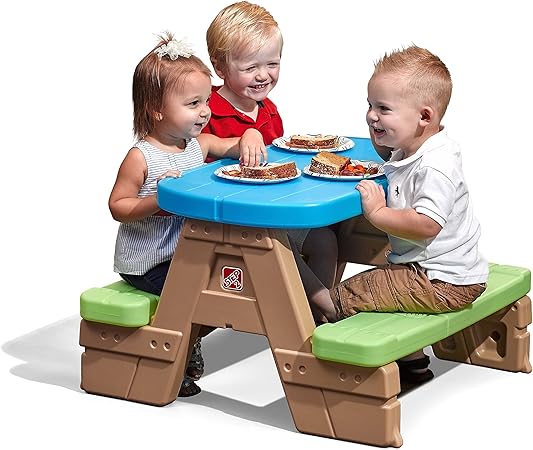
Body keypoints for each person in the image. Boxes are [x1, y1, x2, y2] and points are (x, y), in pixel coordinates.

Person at [301, 45, 489, 383]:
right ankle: (413, 364)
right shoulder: (415, 147)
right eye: (370, 106)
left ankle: (320, 312)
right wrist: (383, 140)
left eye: (383, 109)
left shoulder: (435, 166)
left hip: (441, 281)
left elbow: (427, 224)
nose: (372, 116)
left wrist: (377, 212)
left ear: (424, 117)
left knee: (352, 293)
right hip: (439, 272)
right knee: (382, 287)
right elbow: (394, 159)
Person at [108, 32, 265, 397]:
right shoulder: (142, 157)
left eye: (206, 100)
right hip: (149, 262)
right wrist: (158, 201)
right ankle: (175, 359)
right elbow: (118, 206)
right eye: (193, 103)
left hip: (188, 253)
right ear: (157, 110)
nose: (205, 111)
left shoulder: (197, 145)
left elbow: (231, 146)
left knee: (229, 283)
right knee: (196, 293)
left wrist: (250, 135)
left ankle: (188, 338)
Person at [204, 1, 339, 318]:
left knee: (325, 240)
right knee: (279, 245)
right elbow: (193, 157)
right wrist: (242, 139)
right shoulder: (205, 108)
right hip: (229, 222)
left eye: (272, 64)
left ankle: (313, 320)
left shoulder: (270, 111)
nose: (263, 76)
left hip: (270, 212)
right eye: (250, 68)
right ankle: (331, 309)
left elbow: (276, 165)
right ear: (220, 67)